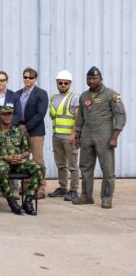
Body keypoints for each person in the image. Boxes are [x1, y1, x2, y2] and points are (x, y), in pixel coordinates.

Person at [72, 67, 127, 208]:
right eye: (88, 78)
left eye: (94, 78)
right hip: (86, 136)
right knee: (85, 167)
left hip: (104, 137)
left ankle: (107, 197)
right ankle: (86, 195)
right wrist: (77, 135)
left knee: (107, 169)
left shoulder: (111, 95)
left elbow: (120, 116)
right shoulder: (84, 96)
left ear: (101, 79)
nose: (91, 81)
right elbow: (80, 118)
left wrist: (114, 137)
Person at [0, 105, 45, 216]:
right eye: (5, 114)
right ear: (0, 116)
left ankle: (28, 201)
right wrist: (4, 158)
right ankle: (12, 202)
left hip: (18, 162)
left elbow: (27, 150)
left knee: (40, 168)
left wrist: (21, 156)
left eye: (9, 114)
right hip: (1, 161)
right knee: (0, 169)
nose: (7, 116)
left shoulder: (19, 131)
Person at [17, 67, 49, 198]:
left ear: (35, 79)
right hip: (20, 130)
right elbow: (15, 112)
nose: (27, 79)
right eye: (25, 77)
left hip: (35, 130)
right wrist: (19, 126)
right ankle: (25, 186)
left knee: (37, 160)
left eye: (30, 77)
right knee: (23, 159)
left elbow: (40, 113)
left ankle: (40, 188)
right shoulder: (18, 93)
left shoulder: (41, 93)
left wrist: (27, 127)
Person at [48, 70, 80, 200]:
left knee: (72, 165)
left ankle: (73, 190)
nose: (62, 85)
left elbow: (78, 117)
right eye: (60, 82)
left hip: (69, 137)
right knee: (60, 164)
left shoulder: (74, 98)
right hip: (56, 136)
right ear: (57, 83)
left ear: (70, 84)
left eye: (65, 83)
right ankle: (62, 188)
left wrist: (74, 134)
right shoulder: (54, 98)